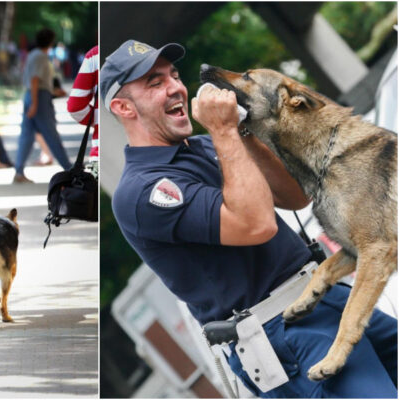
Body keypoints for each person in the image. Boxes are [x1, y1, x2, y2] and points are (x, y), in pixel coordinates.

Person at [101, 40, 397, 398]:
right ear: (122, 107)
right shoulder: (141, 191)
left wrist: (241, 131)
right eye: (155, 83)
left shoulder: (207, 146)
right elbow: (256, 225)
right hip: (281, 332)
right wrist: (224, 132)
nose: (176, 87)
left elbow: (295, 196)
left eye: (174, 75)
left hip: (323, 297)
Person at [14, 27, 72, 183]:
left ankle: (19, 171)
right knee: (51, 134)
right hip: (38, 98)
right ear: (50, 41)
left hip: (32, 95)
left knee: (26, 136)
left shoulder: (34, 54)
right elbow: (35, 80)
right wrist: (35, 103)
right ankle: (69, 169)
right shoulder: (40, 56)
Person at [67, 45, 98, 178]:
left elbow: (75, 106)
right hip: (154, 154)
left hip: (101, 153)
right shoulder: (153, 54)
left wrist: (97, 120)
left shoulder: (95, 55)